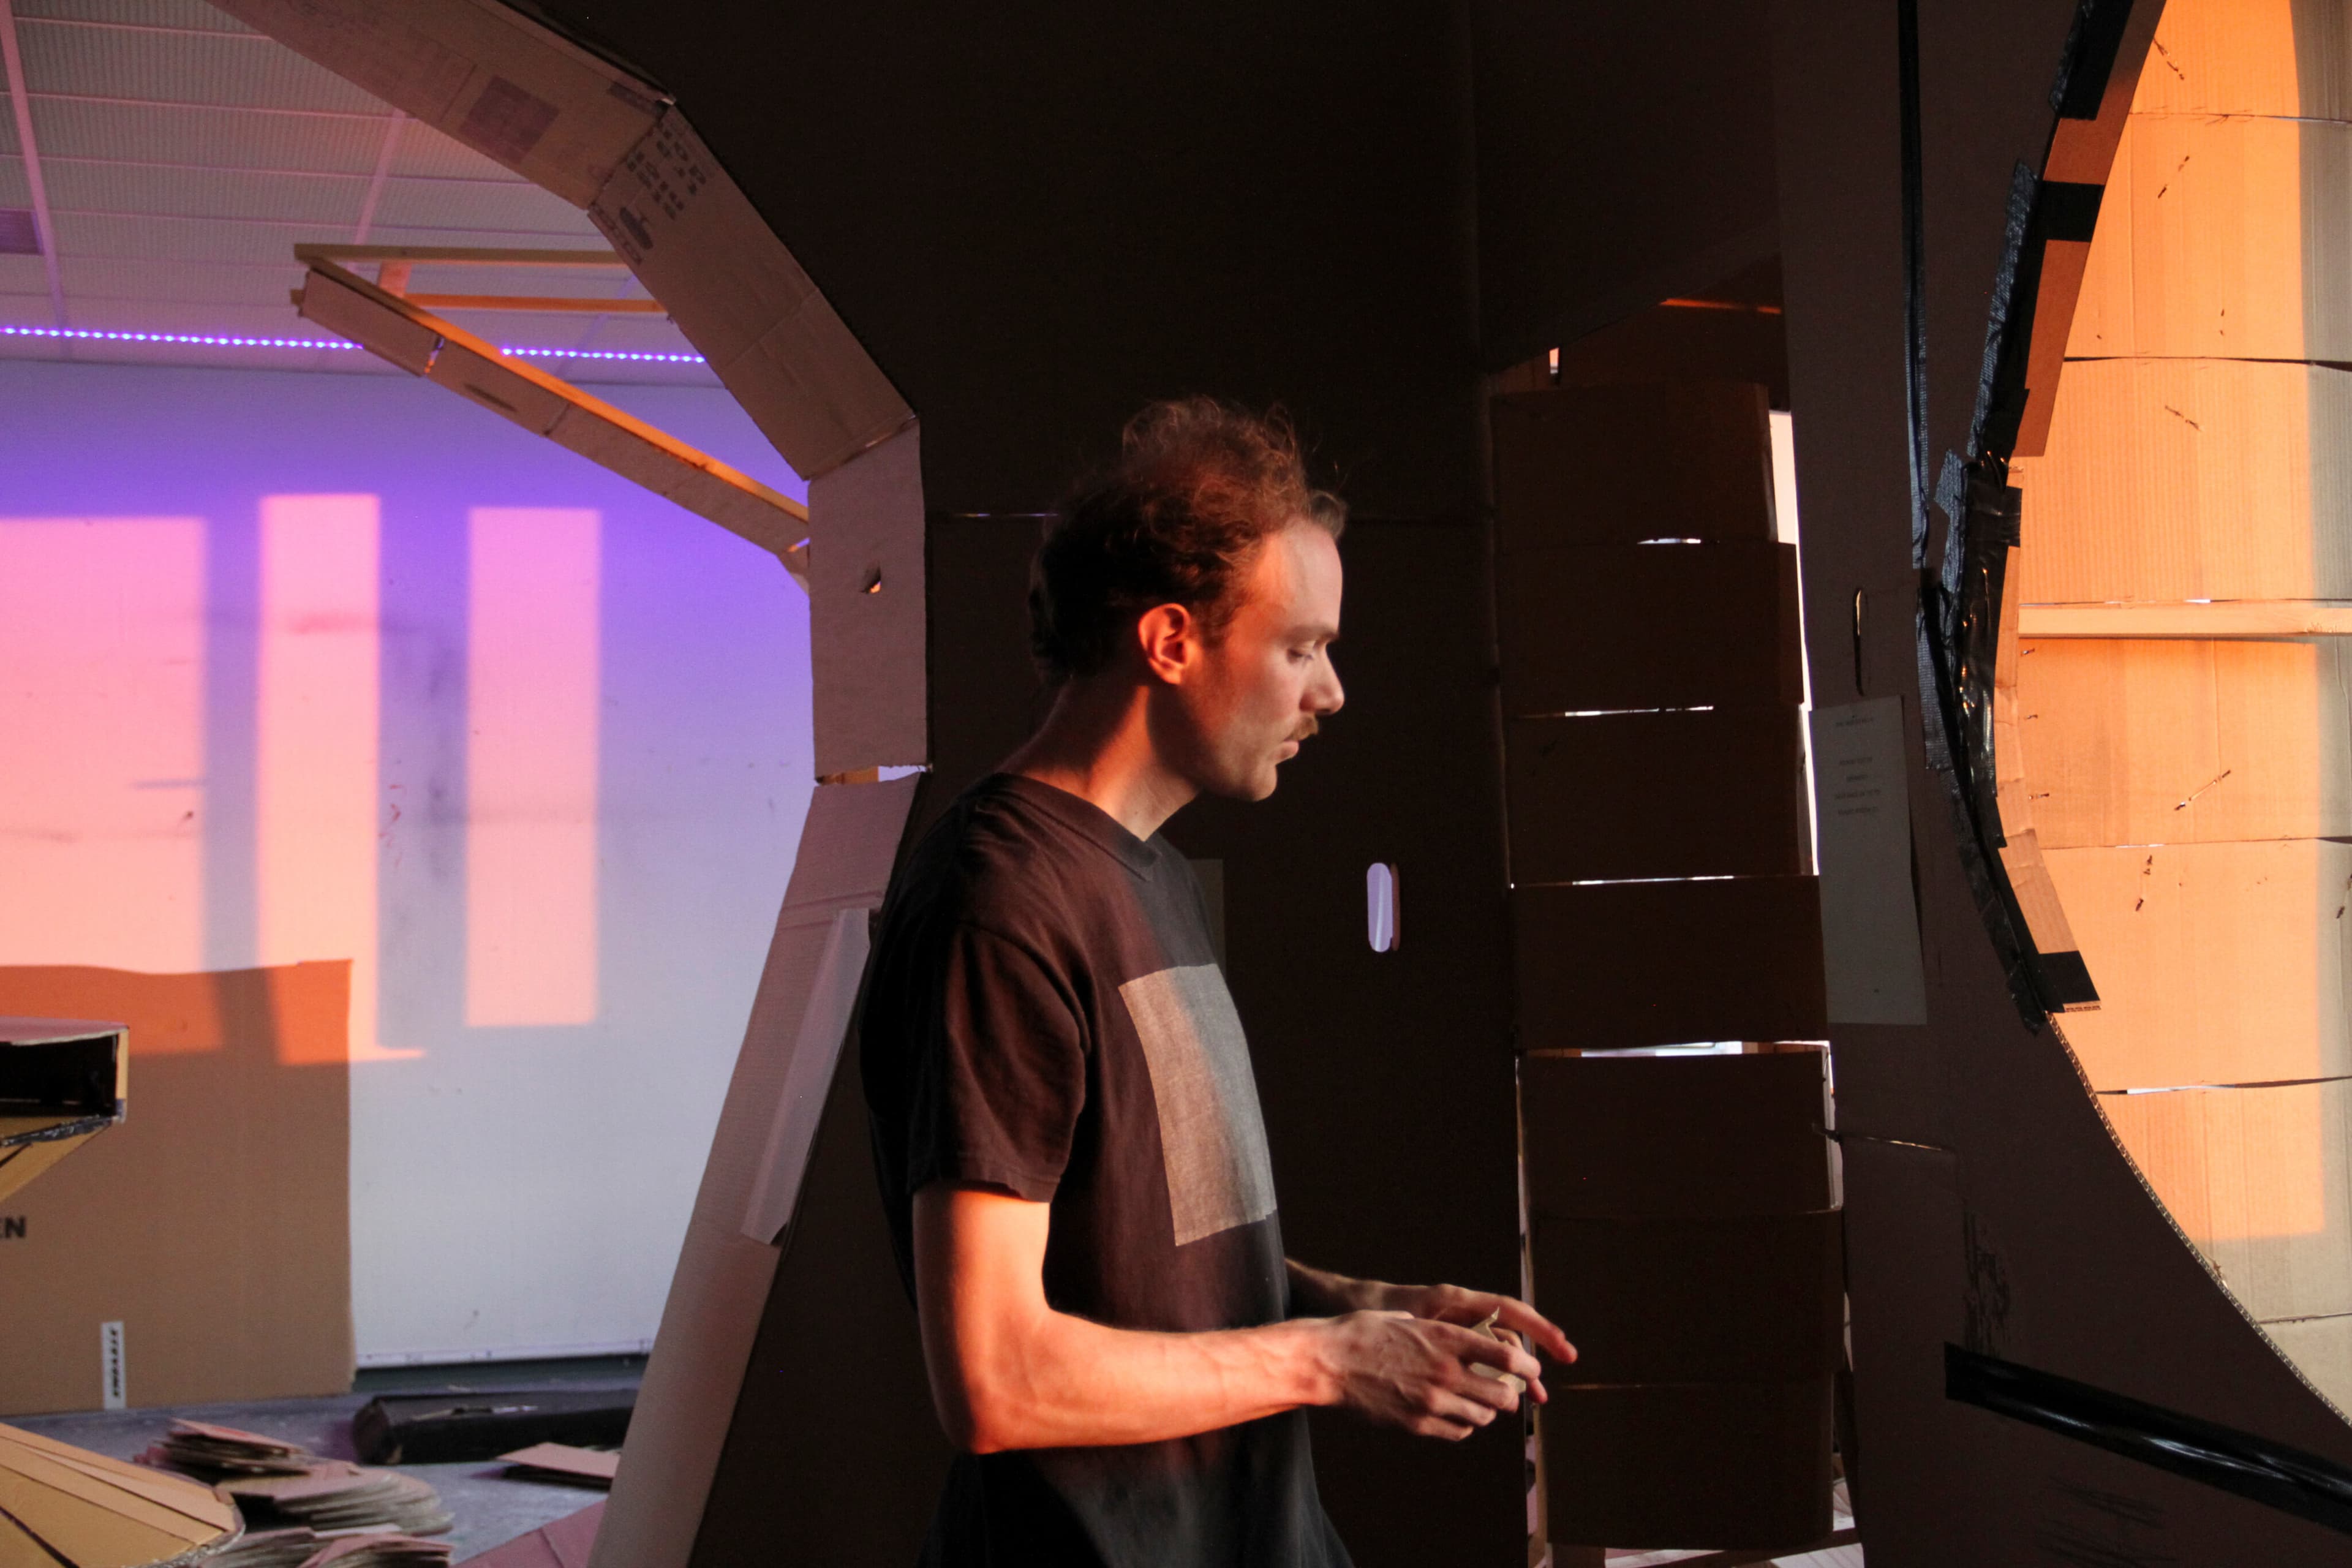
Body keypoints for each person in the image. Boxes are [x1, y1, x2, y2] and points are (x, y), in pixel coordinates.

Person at [860, 398, 1575, 1567]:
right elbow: (993, 1377)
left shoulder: (1152, 876)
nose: (1330, 693)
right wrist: (1331, 1360)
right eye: (1300, 648)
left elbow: (1143, 1260)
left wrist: (1363, 1307)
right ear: (1170, 642)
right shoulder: (1000, 907)